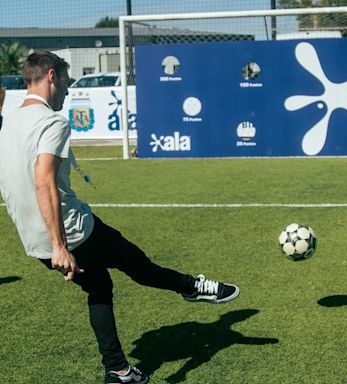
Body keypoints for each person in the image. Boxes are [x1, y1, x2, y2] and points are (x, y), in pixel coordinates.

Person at [0, 50, 240, 384]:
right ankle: (192, 287)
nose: (69, 91)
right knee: (138, 266)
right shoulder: (52, 121)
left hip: (34, 242)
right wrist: (60, 245)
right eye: (67, 81)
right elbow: (43, 181)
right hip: (71, 232)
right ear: (52, 75)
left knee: (99, 285)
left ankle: (119, 370)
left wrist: (49, 246)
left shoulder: (9, 121)